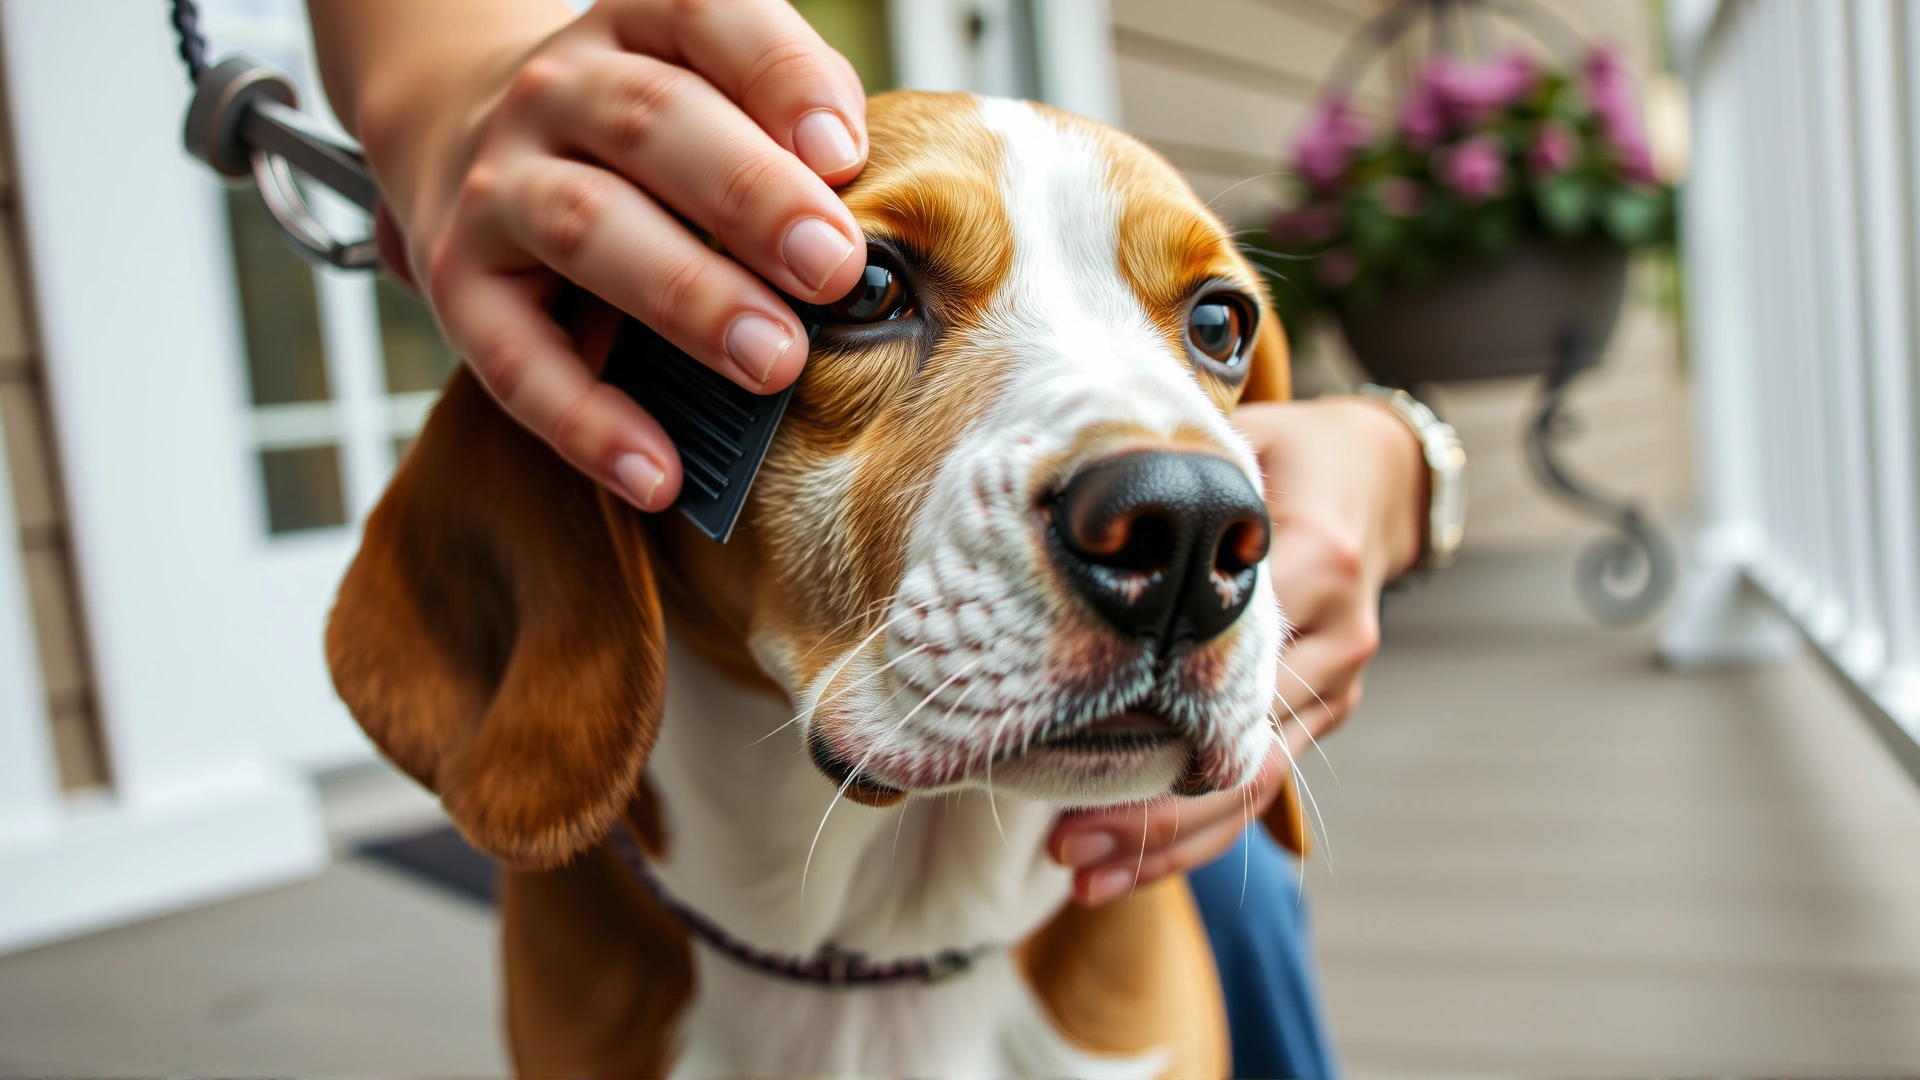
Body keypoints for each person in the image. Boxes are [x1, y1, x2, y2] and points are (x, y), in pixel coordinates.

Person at [308, 1, 1437, 1075]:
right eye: (867, 295)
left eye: (1212, 329)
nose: (1189, 517)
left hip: (1116, 887)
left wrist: (1400, 456)